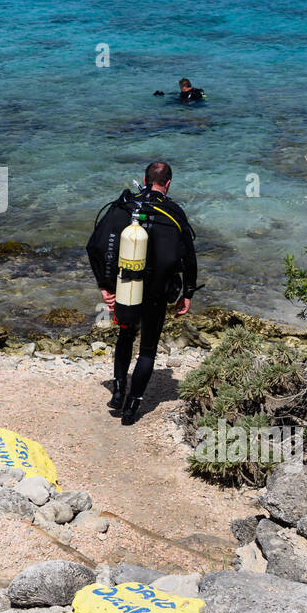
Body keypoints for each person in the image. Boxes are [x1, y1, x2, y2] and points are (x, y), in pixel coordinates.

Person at [98, 160, 197, 425]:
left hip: (127, 287)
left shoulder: (126, 206)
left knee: (125, 336)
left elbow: (96, 245)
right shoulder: (174, 212)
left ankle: (118, 392)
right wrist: (187, 292)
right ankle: (132, 407)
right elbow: (189, 256)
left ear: (144, 179)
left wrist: (105, 286)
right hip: (157, 291)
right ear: (168, 183)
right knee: (148, 350)